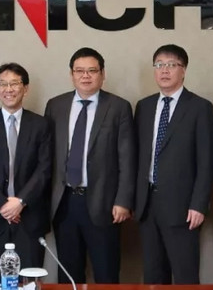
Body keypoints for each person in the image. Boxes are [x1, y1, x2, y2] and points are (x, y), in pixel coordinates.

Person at [44, 47, 135, 284]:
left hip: (104, 202)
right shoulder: (55, 106)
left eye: (92, 71)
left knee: (106, 273)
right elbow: (47, 156)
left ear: (102, 74)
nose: (85, 76)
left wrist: (123, 200)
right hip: (64, 202)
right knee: (69, 274)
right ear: (71, 74)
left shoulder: (118, 107)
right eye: (79, 71)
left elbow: (127, 158)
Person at [133, 44, 213, 284]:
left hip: (183, 207)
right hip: (147, 205)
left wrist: (199, 204)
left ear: (184, 70)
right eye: (159, 65)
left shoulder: (200, 107)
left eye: (171, 65)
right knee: (153, 275)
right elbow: (137, 156)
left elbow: (206, 160)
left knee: (184, 275)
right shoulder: (144, 106)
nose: (164, 70)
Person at [0, 63, 53, 278]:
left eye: (14, 83)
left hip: (30, 217)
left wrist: (20, 202)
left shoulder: (41, 125)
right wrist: (2, 204)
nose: (8, 89)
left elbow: (44, 168)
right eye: (3, 84)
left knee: (30, 281)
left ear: (26, 88)